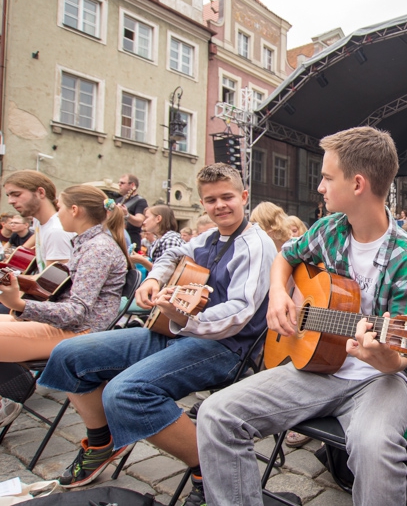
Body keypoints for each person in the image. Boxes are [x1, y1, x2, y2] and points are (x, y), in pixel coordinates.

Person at [196, 126, 407, 506]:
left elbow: (401, 358)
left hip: (379, 380)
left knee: (373, 445)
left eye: (326, 177)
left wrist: (381, 354)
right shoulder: (329, 229)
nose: (320, 187)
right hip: (318, 367)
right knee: (215, 414)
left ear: (357, 184)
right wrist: (277, 296)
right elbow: (286, 257)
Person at [38, 164, 275, 506]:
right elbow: (175, 254)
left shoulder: (256, 245)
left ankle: (209, 469)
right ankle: (102, 440)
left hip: (226, 348)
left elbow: (239, 314)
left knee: (127, 393)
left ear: (244, 197)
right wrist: (153, 280)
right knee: (69, 353)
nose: (220, 205)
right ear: (202, 203)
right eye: (211, 200)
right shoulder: (208, 238)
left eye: (227, 197)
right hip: (175, 331)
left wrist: (184, 320)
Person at [0, 186, 128, 428]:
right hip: (72, 326)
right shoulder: (88, 244)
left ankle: (10, 395)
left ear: (75, 210)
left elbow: (76, 312)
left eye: (59, 208)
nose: (57, 215)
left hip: (79, 332)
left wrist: (19, 304)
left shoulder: (98, 249)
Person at [4, 171, 74, 271]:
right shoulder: (39, 221)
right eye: (9, 196)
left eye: (16, 194)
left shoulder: (56, 231)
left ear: (41, 192)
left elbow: (51, 282)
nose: (10, 201)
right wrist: (16, 256)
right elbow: (36, 238)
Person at [128, 205, 184, 272]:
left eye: (146, 218)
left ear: (158, 219)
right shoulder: (158, 241)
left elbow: (166, 273)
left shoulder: (171, 240)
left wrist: (142, 261)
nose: (144, 222)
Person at [115, 174, 147, 251]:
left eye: (122, 183)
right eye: (119, 182)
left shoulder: (140, 201)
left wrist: (127, 215)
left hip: (131, 243)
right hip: (117, 240)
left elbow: (139, 221)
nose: (119, 185)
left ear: (132, 185)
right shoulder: (118, 200)